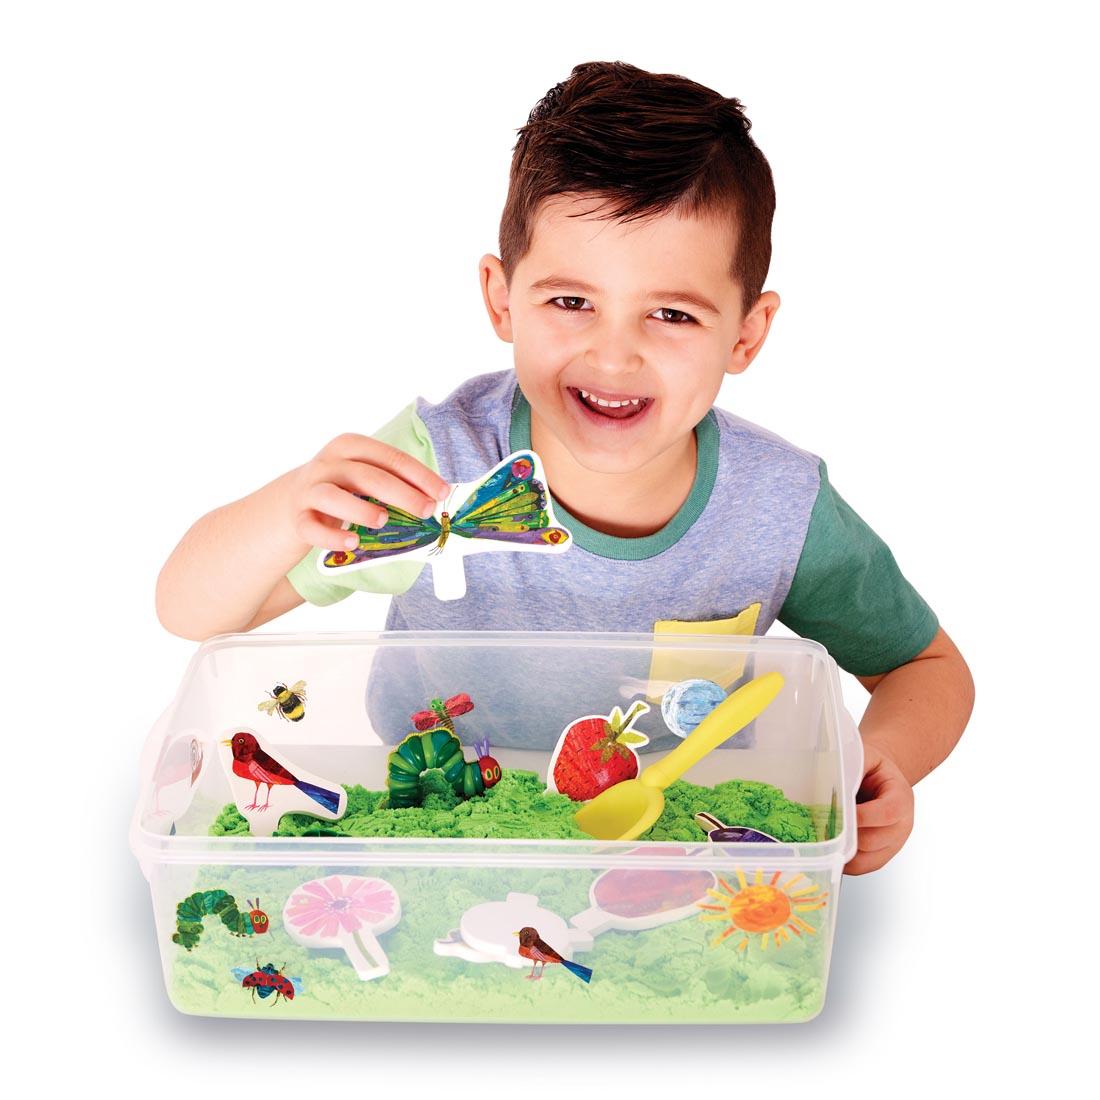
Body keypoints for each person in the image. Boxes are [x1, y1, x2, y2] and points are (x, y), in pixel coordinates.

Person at [156, 60, 974, 874]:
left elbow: (925, 667)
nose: (614, 352)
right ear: (501, 298)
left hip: (677, 840)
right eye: (571, 301)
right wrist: (287, 504)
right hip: (435, 816)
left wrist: (877, 762)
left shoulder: (781, 504)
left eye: (672, 313)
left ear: (747, 334)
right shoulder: (440, 467)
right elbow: (193, 610)